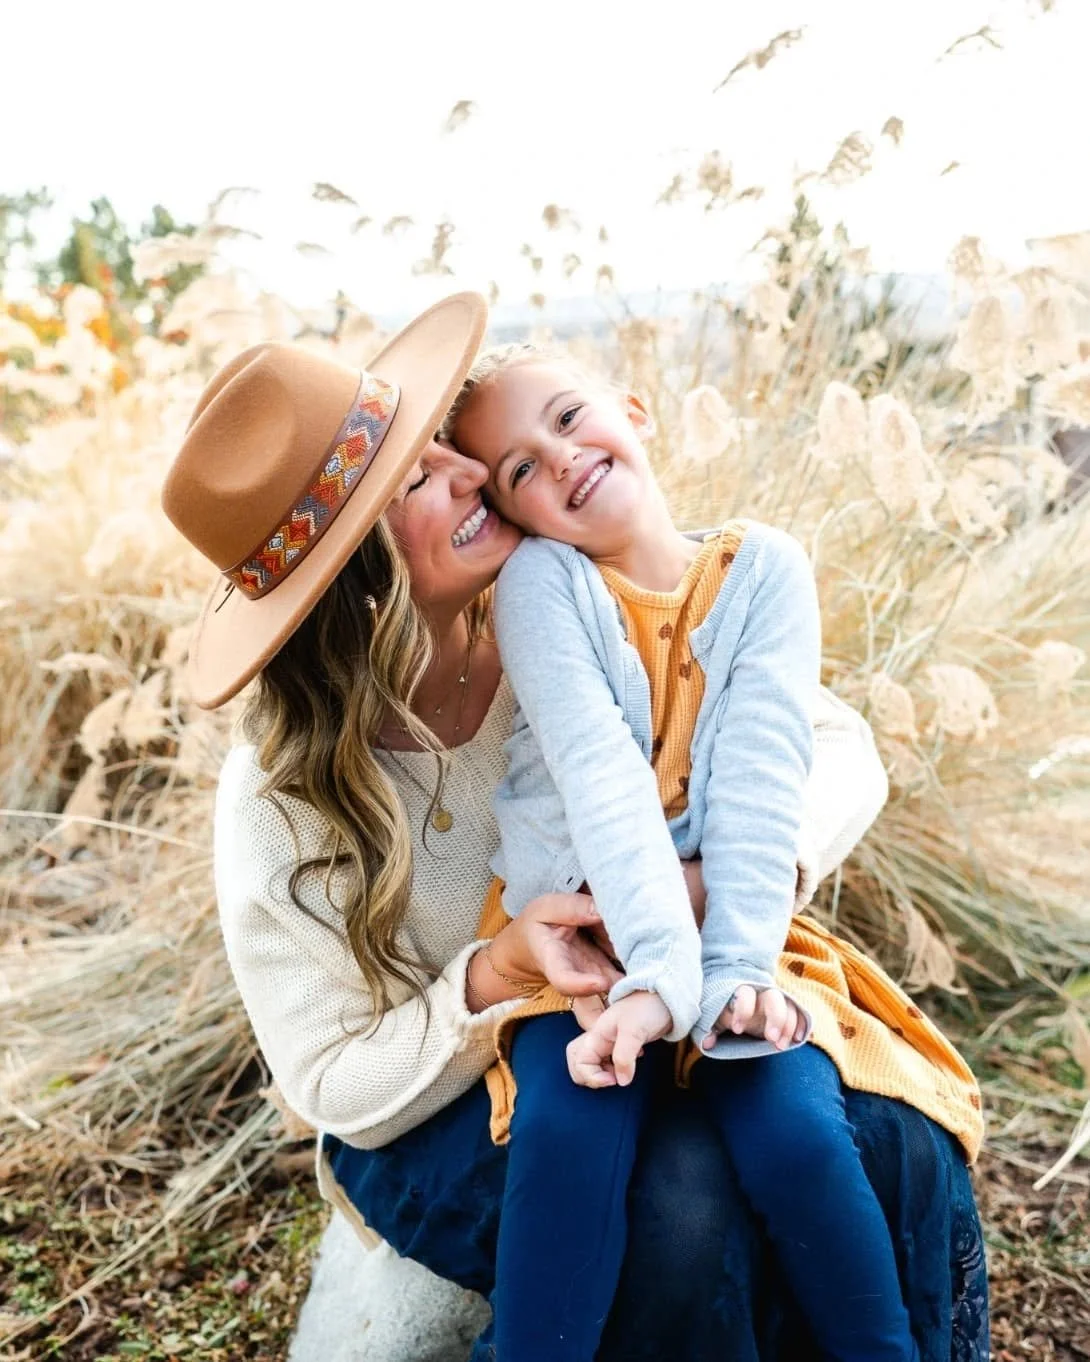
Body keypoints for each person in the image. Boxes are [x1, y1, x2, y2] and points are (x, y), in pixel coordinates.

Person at [161, 292, 990, 1361]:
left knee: (860, 1132)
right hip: (463, 1093)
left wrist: (715, 886)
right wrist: (494, 975)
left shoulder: (562, 608)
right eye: (418, 478)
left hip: (661, 989)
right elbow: (332, 1082)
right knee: (677, 1196)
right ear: (352, 584)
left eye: (437, 447)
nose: (466, 468)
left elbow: (833, 747)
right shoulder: (280, 798)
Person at [446, 344, 986, 1362]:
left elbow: (758, 784)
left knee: (794, 1133)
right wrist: (652, 980)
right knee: (573, 1134)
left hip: (729, 923)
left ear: (635, 412)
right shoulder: (542, 589)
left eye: (568, 418)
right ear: (516, 515)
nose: (556, 459)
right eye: (518, 468)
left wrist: (735, 971)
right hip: (588, 955)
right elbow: (601, 783)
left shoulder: (762, 571)